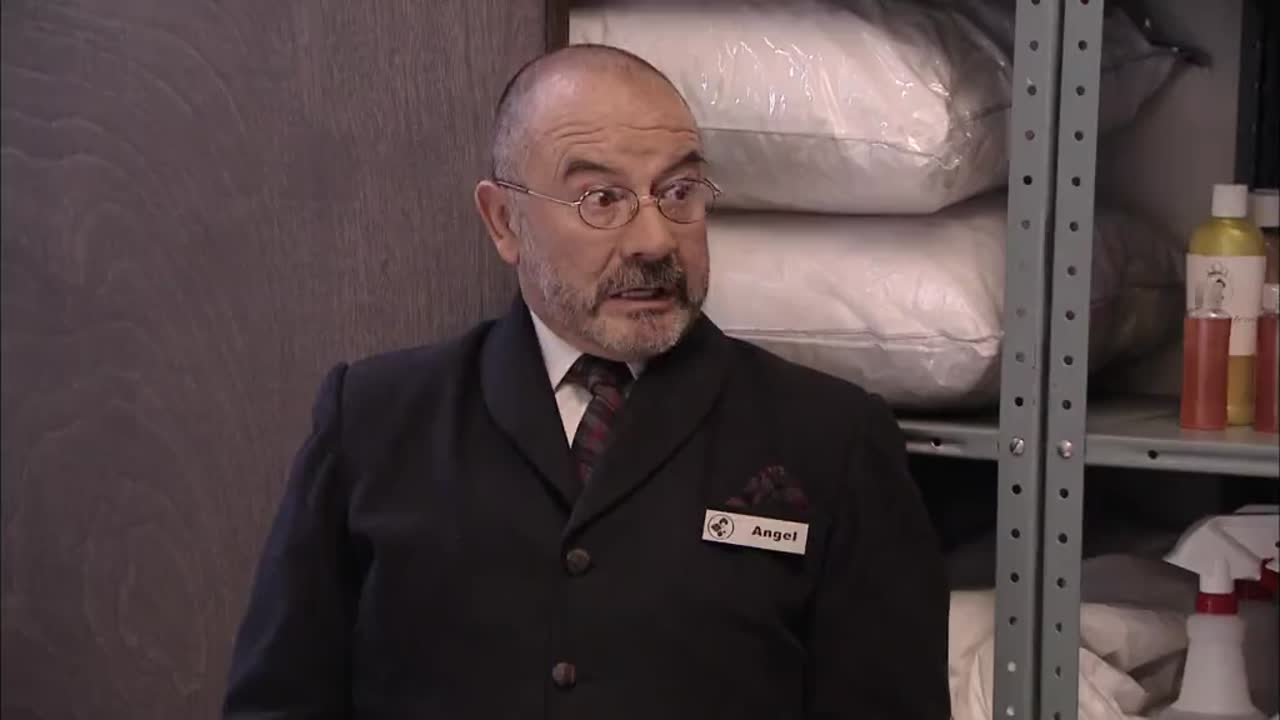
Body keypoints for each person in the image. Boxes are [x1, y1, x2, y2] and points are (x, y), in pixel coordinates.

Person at [223, 43, 949, 719]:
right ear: (504, 221)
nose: (655, 240)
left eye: (679, 192)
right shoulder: (375, 422)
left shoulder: (831, 440)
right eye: (602, 199)